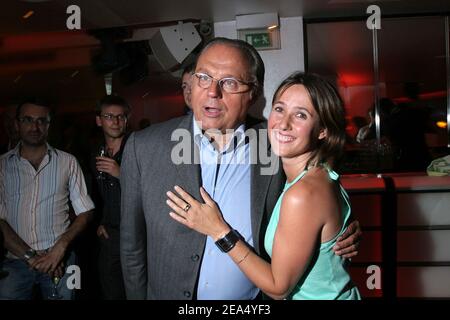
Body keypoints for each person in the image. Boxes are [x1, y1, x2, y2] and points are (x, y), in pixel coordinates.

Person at [120, 37, 361, 300]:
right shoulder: (144, 147)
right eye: (203, 77)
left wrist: (343, 231)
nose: (212, 91)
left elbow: (318, 192)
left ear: (253, 94)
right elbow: (132, 247)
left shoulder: (276, 144)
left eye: (229, 83)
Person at [167, 72, 361, 300]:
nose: (284, 124)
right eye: (279, 109)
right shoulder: (318, 174)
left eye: (301, 115)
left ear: (322, 130)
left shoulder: (302, 193)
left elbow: (279, 288)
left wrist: (218, 230)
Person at [0, 98, 94, 300]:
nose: (35, 126)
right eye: (28, 120)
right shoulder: (2, 165)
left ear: (49, 125)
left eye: (42, 121)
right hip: (14, 261)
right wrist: (32, 258)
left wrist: (60, 248)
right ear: (17, 124)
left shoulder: (68, 162)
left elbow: (85, 212)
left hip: (63, 261)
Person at [91, 95, 130, 300]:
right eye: (109, 116)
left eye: (120, 116)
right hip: (109, 236)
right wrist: (99, 222)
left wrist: (120, 173)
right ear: (99, 120)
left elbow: (152, 191)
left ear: (126, 119)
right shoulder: (95, 153)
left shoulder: (137, 149)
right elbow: (92, 194)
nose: (115, 121)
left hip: (136, 235)